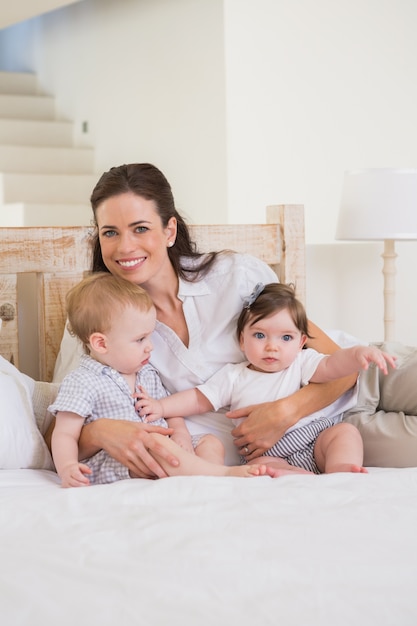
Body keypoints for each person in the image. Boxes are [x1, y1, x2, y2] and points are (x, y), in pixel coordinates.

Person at [51, 162, 417, 476]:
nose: (125, 246)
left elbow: (340, 361)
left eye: (140, 228)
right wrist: (100, 431)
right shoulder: (94, 322)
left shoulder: (234, 275)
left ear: (169, 231)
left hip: (363, 373)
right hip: (323, 438)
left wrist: (283, 412)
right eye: (109, 233)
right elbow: (63, 420)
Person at [137, 283, 396, 475]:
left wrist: (357, 354)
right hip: (267, 453)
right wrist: (161, 406)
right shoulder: (234, 375)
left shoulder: (301, 363)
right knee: (262, 470)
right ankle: (299, 479)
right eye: (260, 336)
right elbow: (198, 399)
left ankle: (340, 472)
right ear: (242, 340)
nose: (272, 347)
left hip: (314, 439)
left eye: (285, 338)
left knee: (344, 433)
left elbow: (332, 365)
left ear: (301, 342)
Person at [49, 272, 274, 487]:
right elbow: (65, 433)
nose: (150, 346)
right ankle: (222, 474)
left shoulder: (146, 374)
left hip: (164, 447)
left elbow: (169, 412)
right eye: (140, 339)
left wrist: (181, 435)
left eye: (149, 336)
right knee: (157, 447)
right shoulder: (82, 381)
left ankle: (208, 479)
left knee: (209, 442)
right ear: (101, 343)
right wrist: (68, 466)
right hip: (121, 460)